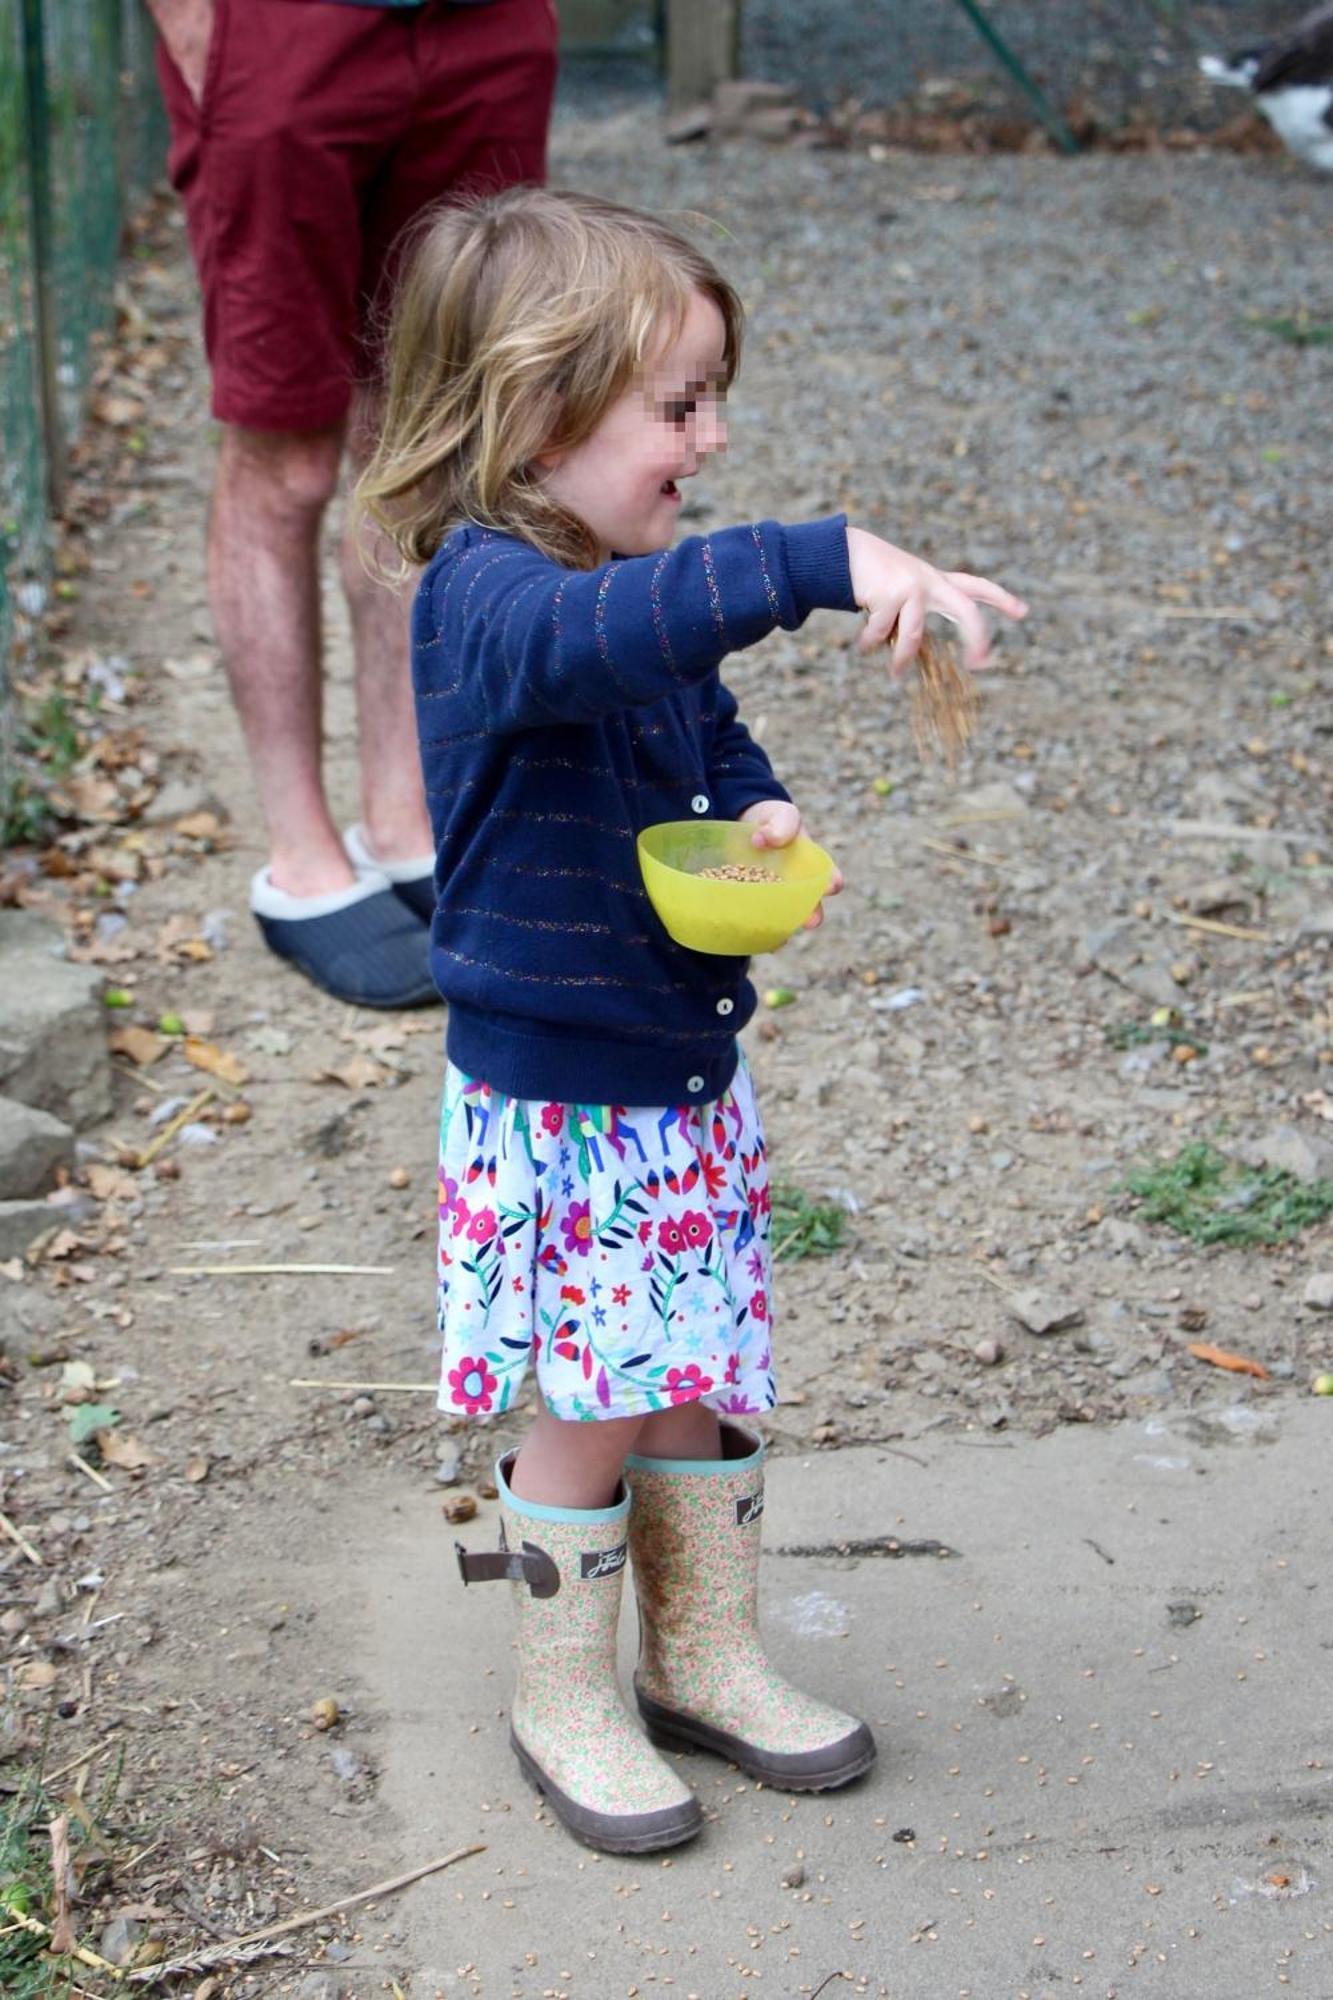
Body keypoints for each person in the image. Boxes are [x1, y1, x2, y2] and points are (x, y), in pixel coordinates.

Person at [357, 187, 1028, 1853]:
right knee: (589, 1396)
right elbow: (602, 652)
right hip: (561, 1100)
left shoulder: (626, 579)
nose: (709, 436)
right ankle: (561, 1687)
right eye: (679, 403)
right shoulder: (489, 595)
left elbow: (699, 726)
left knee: (697, 1375)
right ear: (531, 402)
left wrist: (763, 820)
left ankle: (704, 1654)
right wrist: (811, 558)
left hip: (673, 1080)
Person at [145, 0, 559, 1006]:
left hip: (486, 27)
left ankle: (406, 820)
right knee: (283, 449)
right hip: (281, 31)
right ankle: (299, 861)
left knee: (423, 436)